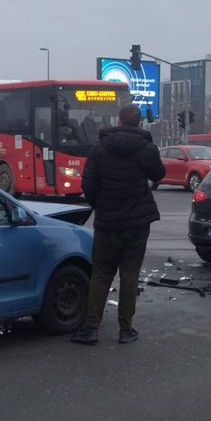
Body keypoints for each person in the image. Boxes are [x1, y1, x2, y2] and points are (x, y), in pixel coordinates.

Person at [72, 105, 166, 345]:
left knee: (101, 273)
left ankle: (91, 327)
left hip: (108, 221)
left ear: (119, 120)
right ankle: (126, 329)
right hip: (137, 222)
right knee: (130, 275)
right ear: (138, 124)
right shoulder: (146, 148)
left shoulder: (100, 148)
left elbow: (88, 185)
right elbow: (159, 175)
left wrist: (102, 205)